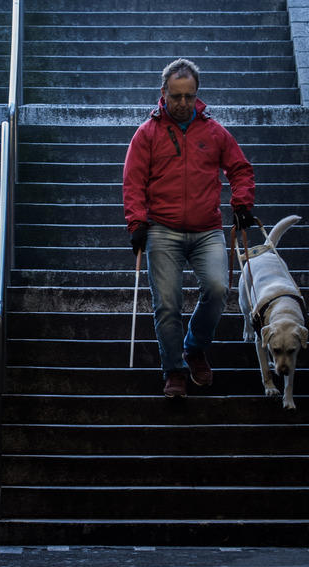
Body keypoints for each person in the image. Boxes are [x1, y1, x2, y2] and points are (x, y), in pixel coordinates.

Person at [122, 58, 256, 398]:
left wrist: (241, 202)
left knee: (217, 289)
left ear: (197, 95)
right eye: (177, 96)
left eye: (189, 96)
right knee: (167, 303)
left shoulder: (214, 131)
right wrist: (137, 222)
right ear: (163, 92)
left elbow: (240, 168)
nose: (183, 104)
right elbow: (133, 182)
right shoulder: (147, 133)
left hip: (207, 228)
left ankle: (194, 347)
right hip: (162, 230)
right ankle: (174, 370)